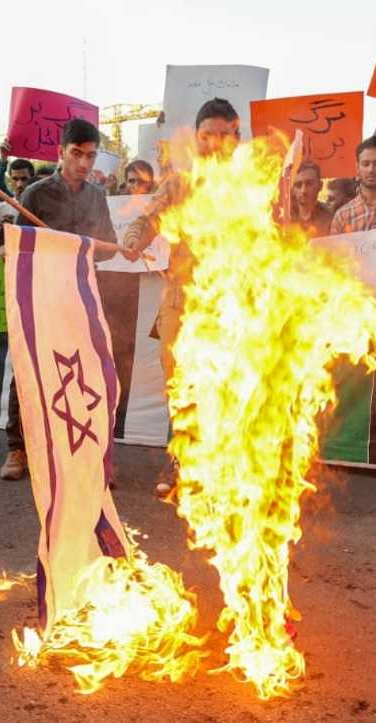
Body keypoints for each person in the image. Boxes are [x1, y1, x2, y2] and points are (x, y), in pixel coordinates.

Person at [120, 97, 241, 496]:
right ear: (197, 138)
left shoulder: (252, 187)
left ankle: (227, 469)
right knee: (182, 386)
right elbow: (147, 219)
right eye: (207, 135)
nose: (215, 143)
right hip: (181, 303)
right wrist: (135, 238)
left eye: (224, 135)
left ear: (236, 137)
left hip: (233, 306)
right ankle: (181, 462)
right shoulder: (178, 185)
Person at [0, 118, 117, 481]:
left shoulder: (97, 197)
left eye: (90, 156)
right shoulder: (35, 194)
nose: (84, 162)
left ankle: (89, 452)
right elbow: (15, 246)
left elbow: (107, 247)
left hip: (82, 296)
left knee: (87, 372)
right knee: (28, 368)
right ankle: (17, 447)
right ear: (60, 152)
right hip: (42, 295)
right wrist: (29, 247)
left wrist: (108, 247)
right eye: (77, 153)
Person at [0, 158, 35, 257]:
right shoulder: (0, 209)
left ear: (32, 179)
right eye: (15, 179)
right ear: (10, 180)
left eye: (24, 179)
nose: (19, 184)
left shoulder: (41, 207)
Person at [290, 160, 333, 237]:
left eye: (309, 184)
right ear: (292, 189)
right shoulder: (284, 218)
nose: (303, 190)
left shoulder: (331, 218)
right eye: (298, 185)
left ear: (320, 186)